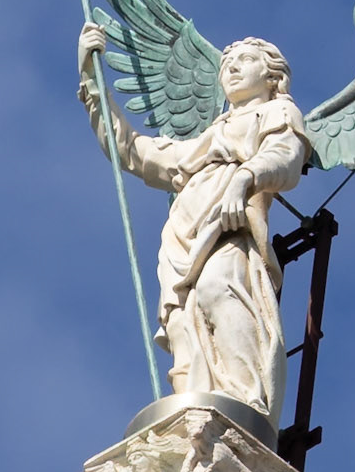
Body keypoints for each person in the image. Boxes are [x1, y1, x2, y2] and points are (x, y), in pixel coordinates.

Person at [79, 23, 308, 423]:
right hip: (182, 238)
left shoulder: (277, 112)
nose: (233, 67)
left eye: (247, 60)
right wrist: (91, 78)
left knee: (220, 290)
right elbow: (131, 151)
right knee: (186, 322)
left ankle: (244, 400)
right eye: (228, 63)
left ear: (273, 77)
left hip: (229, 226)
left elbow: (285, 157)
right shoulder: (205, 141)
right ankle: (195, 412)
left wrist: (244, 178)